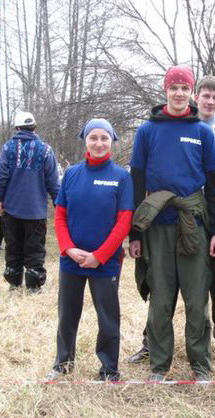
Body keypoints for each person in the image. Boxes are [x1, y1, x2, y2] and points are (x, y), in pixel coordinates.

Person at [127, 75, 215, 364]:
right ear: (165, 90)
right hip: (158, 223)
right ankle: (159, 363)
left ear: (191, 92)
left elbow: (214, 184)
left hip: (193, 223)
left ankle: (200, 363)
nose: (178, 93)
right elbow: (136, 181)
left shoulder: (201, 131)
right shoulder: (147, 130)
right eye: (173, 87)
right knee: (161, 298)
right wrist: (135, 234)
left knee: (197, 299)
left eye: (184, 88)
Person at [46, 119, 133, 382]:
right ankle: (63, 363)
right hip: (71, 260)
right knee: (67, 315)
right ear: (85, 140)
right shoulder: (72, 174)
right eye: (93, 137)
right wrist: (68, 248)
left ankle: (109, 369)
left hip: (105, 262)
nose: (98, 143)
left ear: (111, 141)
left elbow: (124, 221)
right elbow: (60, 215)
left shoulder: (121, 177)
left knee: (108, 318)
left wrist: (99, 256)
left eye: (104, 138)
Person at [0, 111, 59, 293]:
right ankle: (34, 287)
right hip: (36, 212)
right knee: (35, 249)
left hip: (11, 209)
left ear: (17, 128)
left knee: (13, 248)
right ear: (34, 127)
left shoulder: (8, 148)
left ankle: (14, 284)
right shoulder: (46, 150)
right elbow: (53, 182)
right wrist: (58, 204)